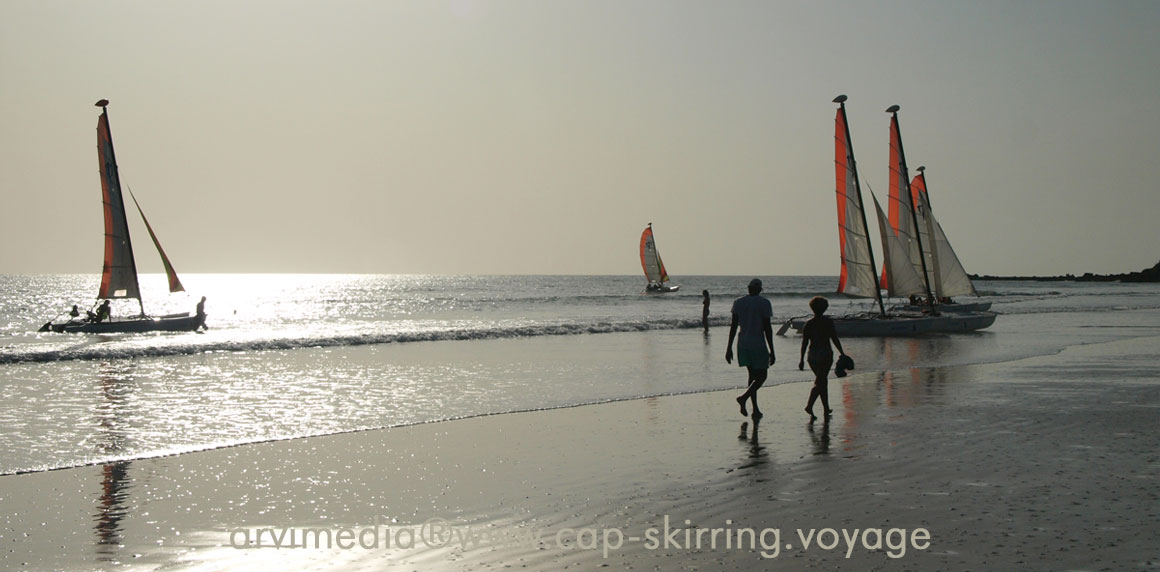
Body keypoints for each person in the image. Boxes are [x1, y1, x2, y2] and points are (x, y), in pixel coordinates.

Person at [726, 279, 775, 419]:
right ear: (760, 290)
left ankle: (755, 409)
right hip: (758, 343)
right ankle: (744, 398)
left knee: (752, 376)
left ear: (748, 289)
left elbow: (733, 327)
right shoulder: (765, 303)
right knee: (762, 376)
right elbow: (767, 328)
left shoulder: (738, 302)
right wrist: (772, 349)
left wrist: (729, 348)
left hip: (742, 343)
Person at [798, 296, 846, 422]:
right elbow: (834, 338)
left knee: (822, 381)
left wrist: (801, 359)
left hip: (812, 355)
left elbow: (804, 343)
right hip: (825, 354)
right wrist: (842, 352)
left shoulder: (808, 323)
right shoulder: (827, 322)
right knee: (820, 382)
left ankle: (826, 408)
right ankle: (809, 405)